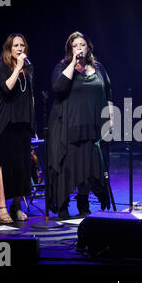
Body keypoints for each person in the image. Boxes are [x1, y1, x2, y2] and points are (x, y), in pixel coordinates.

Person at [47, 31, 114, 219]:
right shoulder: (62, 67)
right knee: (68, 167)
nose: (79, 48)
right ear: (70, 49)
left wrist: (111, 117)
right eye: (75, 46)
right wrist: (72, 64)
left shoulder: (98, 67)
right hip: (67, 127)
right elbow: (58, 88)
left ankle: (83, 202)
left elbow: (108, 92)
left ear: (88, 47)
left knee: (88, 166)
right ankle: (63, 204)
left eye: (82, 45)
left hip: (92, 127)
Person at [0, 33, 35, 223]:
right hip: (6, 122)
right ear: (9, 48)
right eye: (16, 46)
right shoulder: (2, 65)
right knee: (7, 163)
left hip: (23, 122)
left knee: (22, 165)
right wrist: (17, 67)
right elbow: (7, 87)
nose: (20, 49)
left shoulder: (27, 68)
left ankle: (16, 205)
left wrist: (32, 123)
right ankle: (2, 206)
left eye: (22, 46)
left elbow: (30, 96)